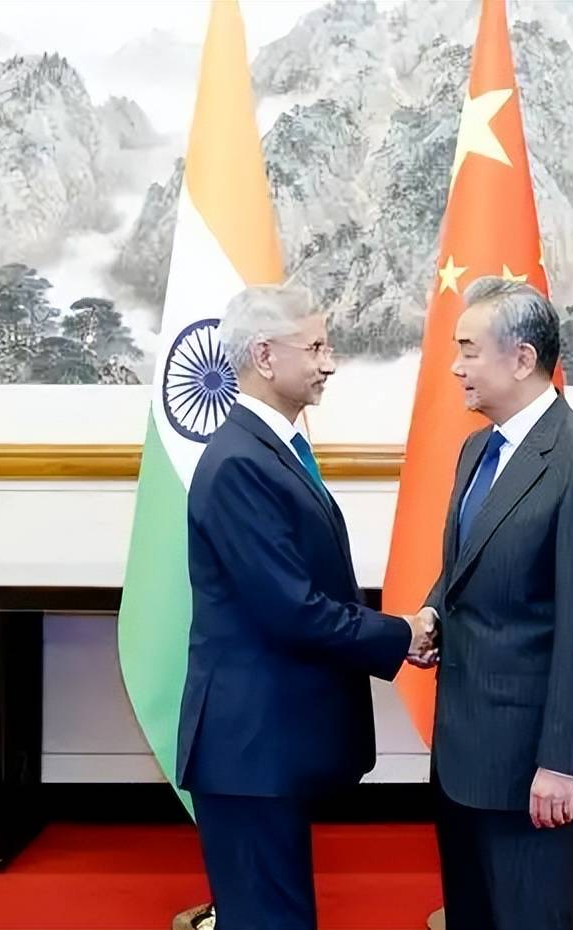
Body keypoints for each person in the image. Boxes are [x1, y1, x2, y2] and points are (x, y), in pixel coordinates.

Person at [175, 283, 436, 930]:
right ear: (265, 355)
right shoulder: (240, 462)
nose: (330, 363)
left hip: (267, 744)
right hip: (248, 748)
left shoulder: (270, 449)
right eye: (316, 347)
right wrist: (400, 635)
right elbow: (291, 609)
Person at [420, 276, 573, 930]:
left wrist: (560, 763)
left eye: (468, 350)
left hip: (531, 769)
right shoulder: (475, 450)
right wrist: (432, 612)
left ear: (521, 359)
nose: (455, 367)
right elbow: (463, 568)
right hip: (461, 754)